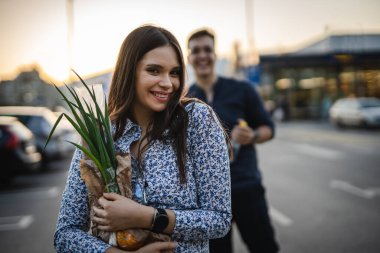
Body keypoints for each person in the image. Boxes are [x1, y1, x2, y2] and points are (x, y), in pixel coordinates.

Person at [54, 25, 232, 253]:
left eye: (174, 72)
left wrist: (146, 217)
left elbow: (219, 219)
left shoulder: (197, 120)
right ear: (129, 72)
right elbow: (65, 233)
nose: (168, 83)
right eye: (154, 70)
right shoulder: (100, 134)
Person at [187, 28, 279, 253]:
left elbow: (269, 128)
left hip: (247, 187)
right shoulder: (185, 99)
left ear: (215, 54)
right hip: (209, 200)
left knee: (264, 248)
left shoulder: (242, 89)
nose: (202, 56)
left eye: (207, 49)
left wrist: (252, 136)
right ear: (189, 58)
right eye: (196, 51)